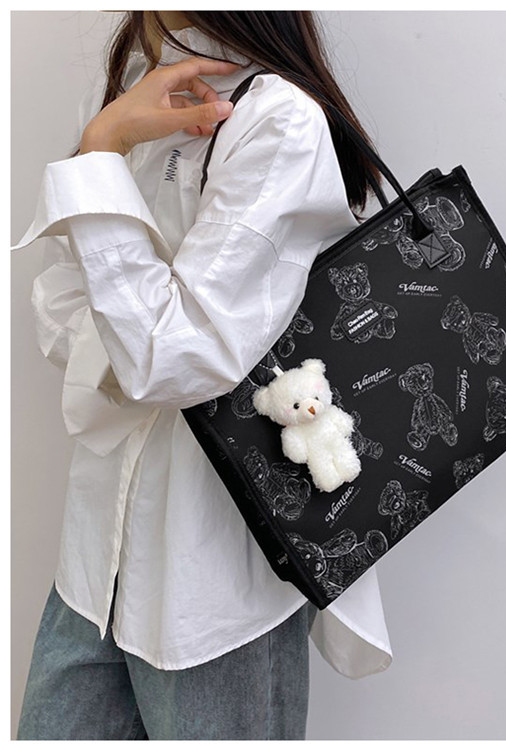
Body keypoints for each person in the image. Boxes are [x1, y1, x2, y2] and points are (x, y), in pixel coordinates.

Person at [12, 11, 393, 741]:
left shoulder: (279, 119)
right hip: (93, 563)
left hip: (215, 575)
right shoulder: (125, 89)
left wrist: (101, 154)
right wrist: (106, 142)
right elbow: (56, 301)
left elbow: (170, 359)